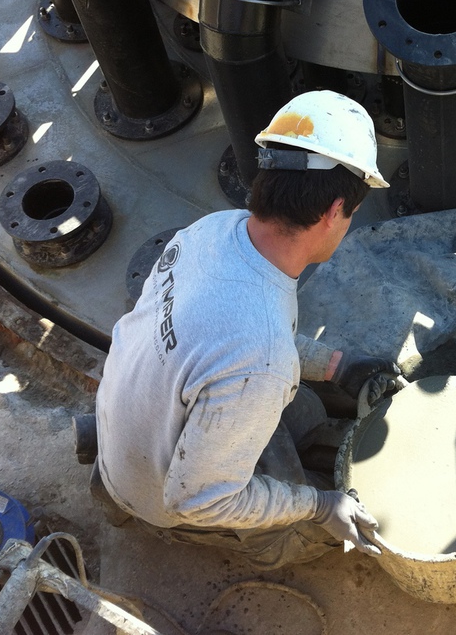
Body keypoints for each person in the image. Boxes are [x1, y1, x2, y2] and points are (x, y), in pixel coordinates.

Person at [95, 90, 403, 570]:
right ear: (333, 211)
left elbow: (234, 340)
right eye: (352, 215)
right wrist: (322, 506)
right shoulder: (261, 359)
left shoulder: (217, 230)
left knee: (304, 409)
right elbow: (196, 500)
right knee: (306, 530)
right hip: (161, 494)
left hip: (137, 415)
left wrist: (336, 366)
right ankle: (142, 509)